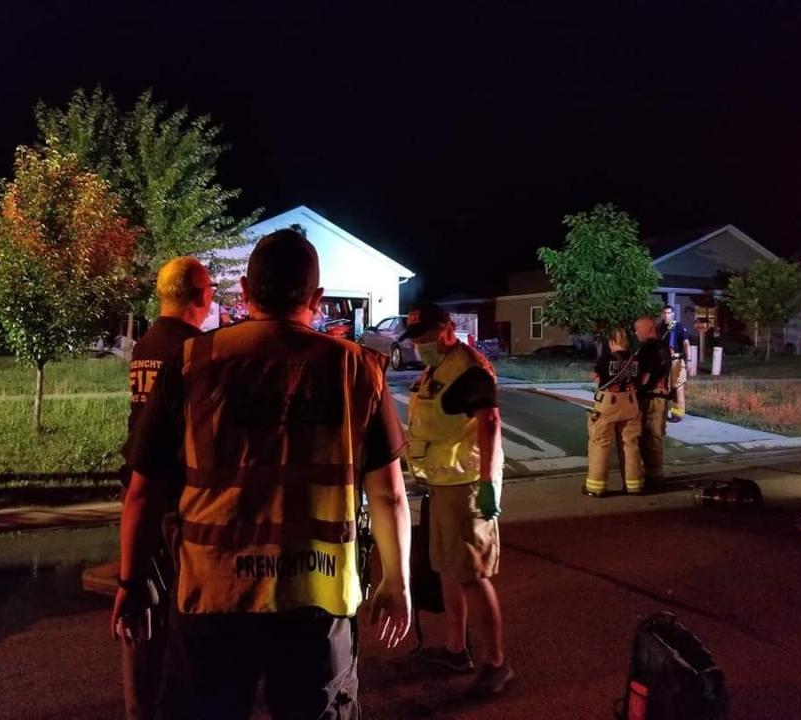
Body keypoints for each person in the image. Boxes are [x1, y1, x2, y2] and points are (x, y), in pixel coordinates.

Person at [113, 229, 412, 720]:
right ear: (317, 300)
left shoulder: (192, 362)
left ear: (246, 293)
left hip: (213, 596)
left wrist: (131, 580)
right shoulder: (358, 369)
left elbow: (143, 492)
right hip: (317, 600)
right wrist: (395, 582)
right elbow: (391, 497)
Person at [118, 256, 215, 720]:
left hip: (142, 493)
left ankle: (141, 706)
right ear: (200, 296)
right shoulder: (196, 350)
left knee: (144, 605)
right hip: (182, 500)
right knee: (189, 614)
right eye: (211, 288)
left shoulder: (146, 344)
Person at [401, 303, 514, 698]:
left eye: (428, 336)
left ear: (448, 329)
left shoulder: (469, 369)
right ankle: (456, 649)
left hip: (467, 486)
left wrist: (488, 485)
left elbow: (490, 423)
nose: (421, 345)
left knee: (472, 575)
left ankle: (496, 662)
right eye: (416, 339)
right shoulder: (439, 369)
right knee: (449, 570)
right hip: (443, 484)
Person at [583, 327, 643, 497]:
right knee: (630, 444)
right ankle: (634, 485)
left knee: (600, 443)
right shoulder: (635, 359)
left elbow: (596, 377)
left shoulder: (606, 358)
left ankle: (596, 487)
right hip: (631, 402)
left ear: (610, 342)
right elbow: (639, 379)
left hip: (609, 403)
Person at [635, 317, 671, 488]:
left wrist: (638, 391)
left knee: (650, 436)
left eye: (637, 329)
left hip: (651, 397)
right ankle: (655, 473)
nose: (635, 333)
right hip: (662, 397)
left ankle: (654, 476)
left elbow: (646, 375)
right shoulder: (662, 347)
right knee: (655, 436)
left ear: (648, 329)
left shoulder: (648, 348)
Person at [658, 305, 690, 421]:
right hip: (664, 362)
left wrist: (689, 360)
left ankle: (677, 414)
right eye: (664, 313)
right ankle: (665, 413)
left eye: (668, 313)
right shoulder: (660, 328)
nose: (666, 315)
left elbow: (686, 343)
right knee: (665, 388)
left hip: (677, 360)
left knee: (678, 388)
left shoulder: (678, 326)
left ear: (673, 314)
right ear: (662, 315)